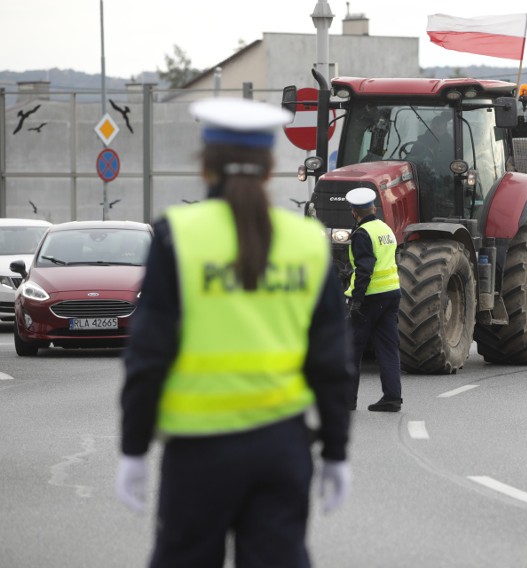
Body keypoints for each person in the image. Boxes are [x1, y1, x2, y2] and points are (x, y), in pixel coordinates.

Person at [115, 97, 354, 568]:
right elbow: (331, 362)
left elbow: (147, 355)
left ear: (206, 164)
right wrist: (336, 450)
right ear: (269, 169)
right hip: (282, 450)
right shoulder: (307, 242)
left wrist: (134, 448)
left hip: (198, 453)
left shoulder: (176, 236)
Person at [344, 187, 403, 412]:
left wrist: (356, 300)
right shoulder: (384, 228)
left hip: (371, 298)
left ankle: (348, 400)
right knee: (388, 348)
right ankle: (392, 398)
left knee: (352, 348)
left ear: (354, 212)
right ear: (373, 209)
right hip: (392, 294)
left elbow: (365, 269)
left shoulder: (362, 234)